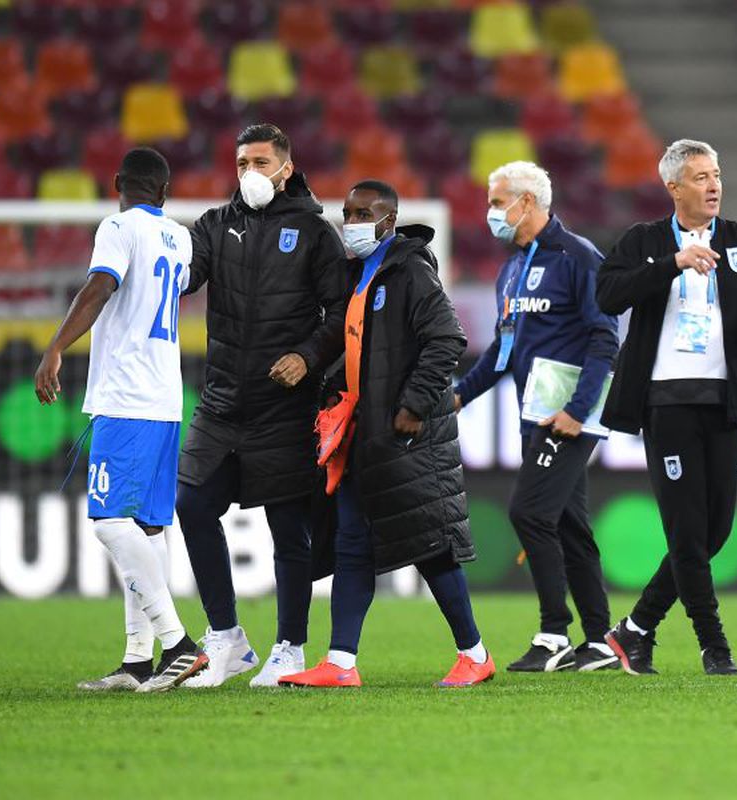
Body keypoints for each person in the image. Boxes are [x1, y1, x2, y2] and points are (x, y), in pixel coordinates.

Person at [595, 139, 737, 676]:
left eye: (716, 175)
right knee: (688, 532)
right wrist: (671, 263)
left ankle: (635, 631)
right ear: (673, 187)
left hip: (724, 401)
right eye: (700, 177)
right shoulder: (644, 240)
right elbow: (607, 296)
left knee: (714, 532)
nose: (714, 185)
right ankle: (714, 647)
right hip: (666, 402)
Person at [280, 180, 494, 689]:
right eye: (347, 213)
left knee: (426, 543)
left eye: (362, 214)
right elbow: (362, 351)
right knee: (354, 543)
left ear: (388, 220)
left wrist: (415, 404)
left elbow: (447, 339)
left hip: (406, 433)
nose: (351, 223)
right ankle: (341, 662)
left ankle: (475, 654)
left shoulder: (410, 272)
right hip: (365, 432)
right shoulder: (361, 274)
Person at [175, 123, 348, 688]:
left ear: (287, 167)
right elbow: (183, 277)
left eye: (261, 161)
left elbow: (339, 313)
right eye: (242, 162)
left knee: (289, 530)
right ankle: (226, 638)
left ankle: (290, 648)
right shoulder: (213, 227)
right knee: (192, 504)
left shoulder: (315, 233)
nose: (250, 172)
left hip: (285, 404)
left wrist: (307, 355)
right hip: (223, 400)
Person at [34, 147, 205, 693]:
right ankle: (137, 660)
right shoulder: (179, 238)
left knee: (110, 522)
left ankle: (177, 644)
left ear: (117, 184)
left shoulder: (116, 226)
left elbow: (101, 286)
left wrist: (55, 347)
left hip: (127, 396)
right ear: (165, 191)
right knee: (149, 528)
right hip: (164, 397)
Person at [454, 161, 620, 673]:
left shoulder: (580, 258)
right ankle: (598, 642)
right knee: (570, 525)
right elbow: (502, 353)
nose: (491, 213)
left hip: (567, 417)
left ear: (528, 202)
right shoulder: (511, 271)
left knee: (528, 513)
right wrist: (457, 397)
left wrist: (577, 409)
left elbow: (605, 337)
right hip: (536, 417)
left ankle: (553, 635)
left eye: (498, 201)